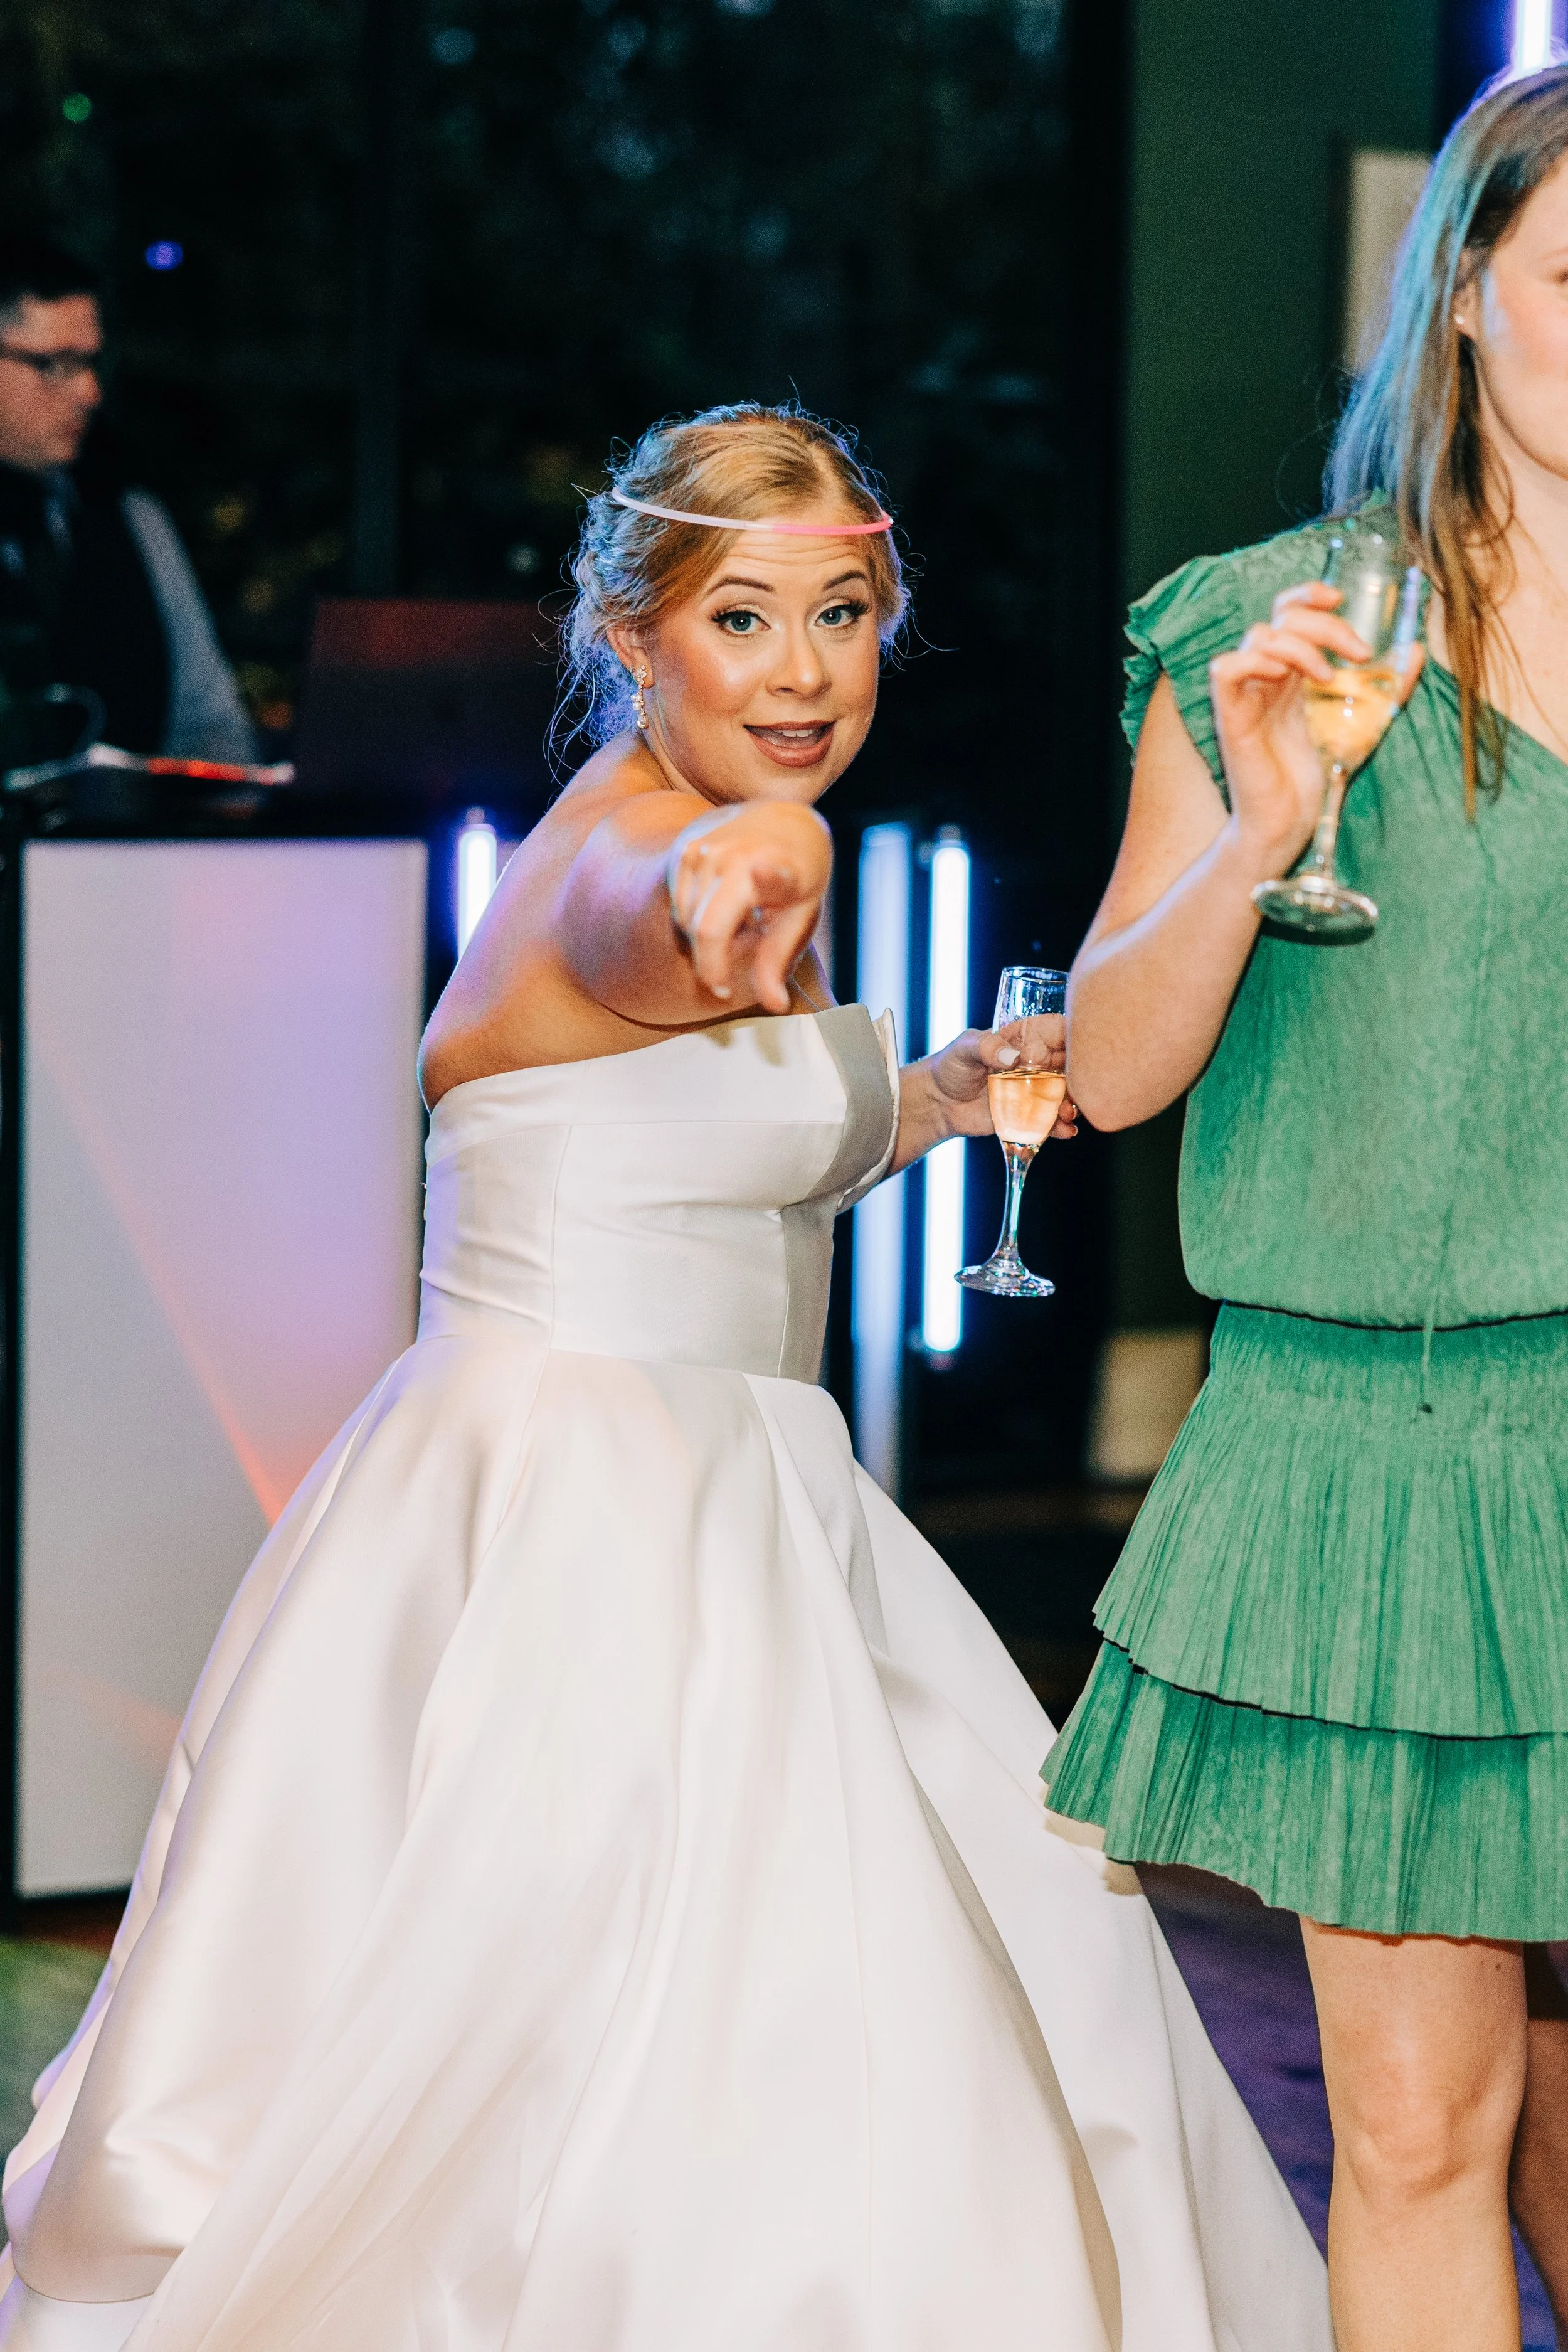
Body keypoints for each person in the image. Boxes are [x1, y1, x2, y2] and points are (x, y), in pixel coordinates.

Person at [0, 404, 1329, 2352]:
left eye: (843, 614)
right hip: (586, 1545)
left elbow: (709, 1127)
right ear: (631, 637)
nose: (801, 673)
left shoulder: (687, 846)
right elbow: (682, 910)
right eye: (741, 618)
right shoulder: (635, 861)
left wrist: (936, 1092)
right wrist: (747, 868)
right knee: (659, 2052)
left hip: (740, 1507)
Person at [1044, 64, 1568, 2352]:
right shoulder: (1271, 632)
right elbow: (1118, 1061)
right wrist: (1261, 824)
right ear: (1465, 292)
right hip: (1377, 1461)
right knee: (1426, 2134)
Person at [0, 234, 256, 767]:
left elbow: (211, 728)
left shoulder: (134, 521)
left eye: (92, 363)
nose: (88, 392)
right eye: (58, 364)